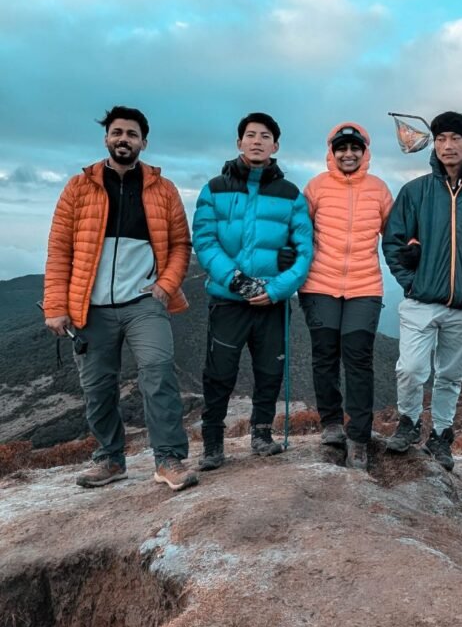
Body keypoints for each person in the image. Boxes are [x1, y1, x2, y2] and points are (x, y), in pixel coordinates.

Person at [44, 106, 197, 491]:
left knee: (158, 371)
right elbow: (60, 248)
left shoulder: (163, 189)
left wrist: (165, 285)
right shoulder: (79, 187)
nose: (123, 139)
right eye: (117, 132)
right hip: (90, 306)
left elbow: (181, 244)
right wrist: (56, 306)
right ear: (106, 138)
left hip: (144, 302)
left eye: (131, 133)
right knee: (97, 386)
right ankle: (110, 459)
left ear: (144, 142)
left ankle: (168, 459)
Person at [382, 111, 462, 469]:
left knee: (450, 374)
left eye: (455, 139)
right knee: (411, 368)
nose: (448, 146)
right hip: (421, 301)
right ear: (433, 145)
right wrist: (411, 282)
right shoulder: (414, 192)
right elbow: (392, 241)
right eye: (441, 140)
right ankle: (409, 421)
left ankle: (442, 436)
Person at [192, 112, 313, 468]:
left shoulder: (291, 194)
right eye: (250, 135)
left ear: (275, 145)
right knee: (219, 372)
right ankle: (213, 444)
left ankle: (262, 435)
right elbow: (204, 240)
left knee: (270, 371)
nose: (257, 140)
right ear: (239, 143)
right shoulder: (214, 189)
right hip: (228, 300)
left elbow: (305, 249)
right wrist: (237, 281)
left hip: (272, 303)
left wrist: (277, 289)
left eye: (265, 136)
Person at [299, 123, 393, 470]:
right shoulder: (316, 187)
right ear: (332, 151)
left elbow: (394, 233)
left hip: (365, 287)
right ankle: (331, 425)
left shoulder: (379, 189)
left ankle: (359, 437)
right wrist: (286, 259)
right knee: (324, 356)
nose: (348, 154)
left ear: (365, 151)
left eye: (355, 148)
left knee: (358, 359)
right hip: (319, 284)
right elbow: (300, 231)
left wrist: (411, 250)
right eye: (342, 148)